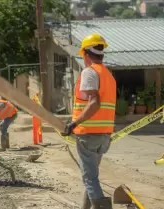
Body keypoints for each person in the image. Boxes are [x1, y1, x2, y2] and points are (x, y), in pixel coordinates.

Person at [61, 34, 116, 209]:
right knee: (91, 176)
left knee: (89, 178)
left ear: (85, 54)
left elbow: (94, 102)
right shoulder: (108, 75)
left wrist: (74, 124)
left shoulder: (89, 72)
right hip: (104, 135)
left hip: (88, 134)